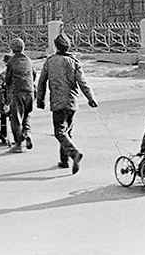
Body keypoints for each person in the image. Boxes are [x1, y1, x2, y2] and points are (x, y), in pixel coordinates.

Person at [36, 33, 98, 173]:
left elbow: (42, 83)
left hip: (58, 101)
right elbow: (83, 82)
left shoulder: (50, 61)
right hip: (72, 101)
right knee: (67, 132)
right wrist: (90, 98)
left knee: (59, 132)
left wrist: (40, 100)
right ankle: (64, 161)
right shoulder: (74, 62)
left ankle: (74, 153)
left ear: (56, 47)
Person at [5, 37, 36, 153]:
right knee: (27, 114)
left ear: (12, 49)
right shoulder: (28, 60)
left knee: (16, 118)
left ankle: (18, 144)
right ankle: (27, 133)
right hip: (30, 91)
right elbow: (34, 74)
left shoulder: (11, 62)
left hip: (17, 92)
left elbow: (7, 80)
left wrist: (7, 97)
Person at [0, 54, 11, 145]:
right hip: (19, 100)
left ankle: (3, 132)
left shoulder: (3, 75)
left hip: (7, 101)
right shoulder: (21, 73)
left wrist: (3, 103)